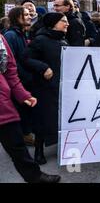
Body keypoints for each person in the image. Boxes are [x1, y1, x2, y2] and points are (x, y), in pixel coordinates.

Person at [0, 34, 60, 183]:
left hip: (3, 105)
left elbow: (10, 70)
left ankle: (35, 176)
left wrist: (22, 94)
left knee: (17, 145)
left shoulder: (1, 39)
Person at [24, 12, 69, 164]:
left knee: (60, 119)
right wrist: (43, 67)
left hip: (60, 87)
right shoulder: (40, 40)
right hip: (44, 88)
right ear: (53, 24)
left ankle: (64, 148)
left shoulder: (63, 41)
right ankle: (38, 151)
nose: (67, 24)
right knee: (42, 121)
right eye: (63, 21)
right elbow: (26, 59)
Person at [4, 7, 35, 145]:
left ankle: (26, 134)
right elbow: (10, 62)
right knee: (21, 109)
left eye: (30, 14)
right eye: (26, 15)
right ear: (17, 18)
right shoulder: (11, 36)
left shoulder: (23, 34)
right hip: (18, 81)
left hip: (25, 79)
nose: (30, 16)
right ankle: (24, 136)